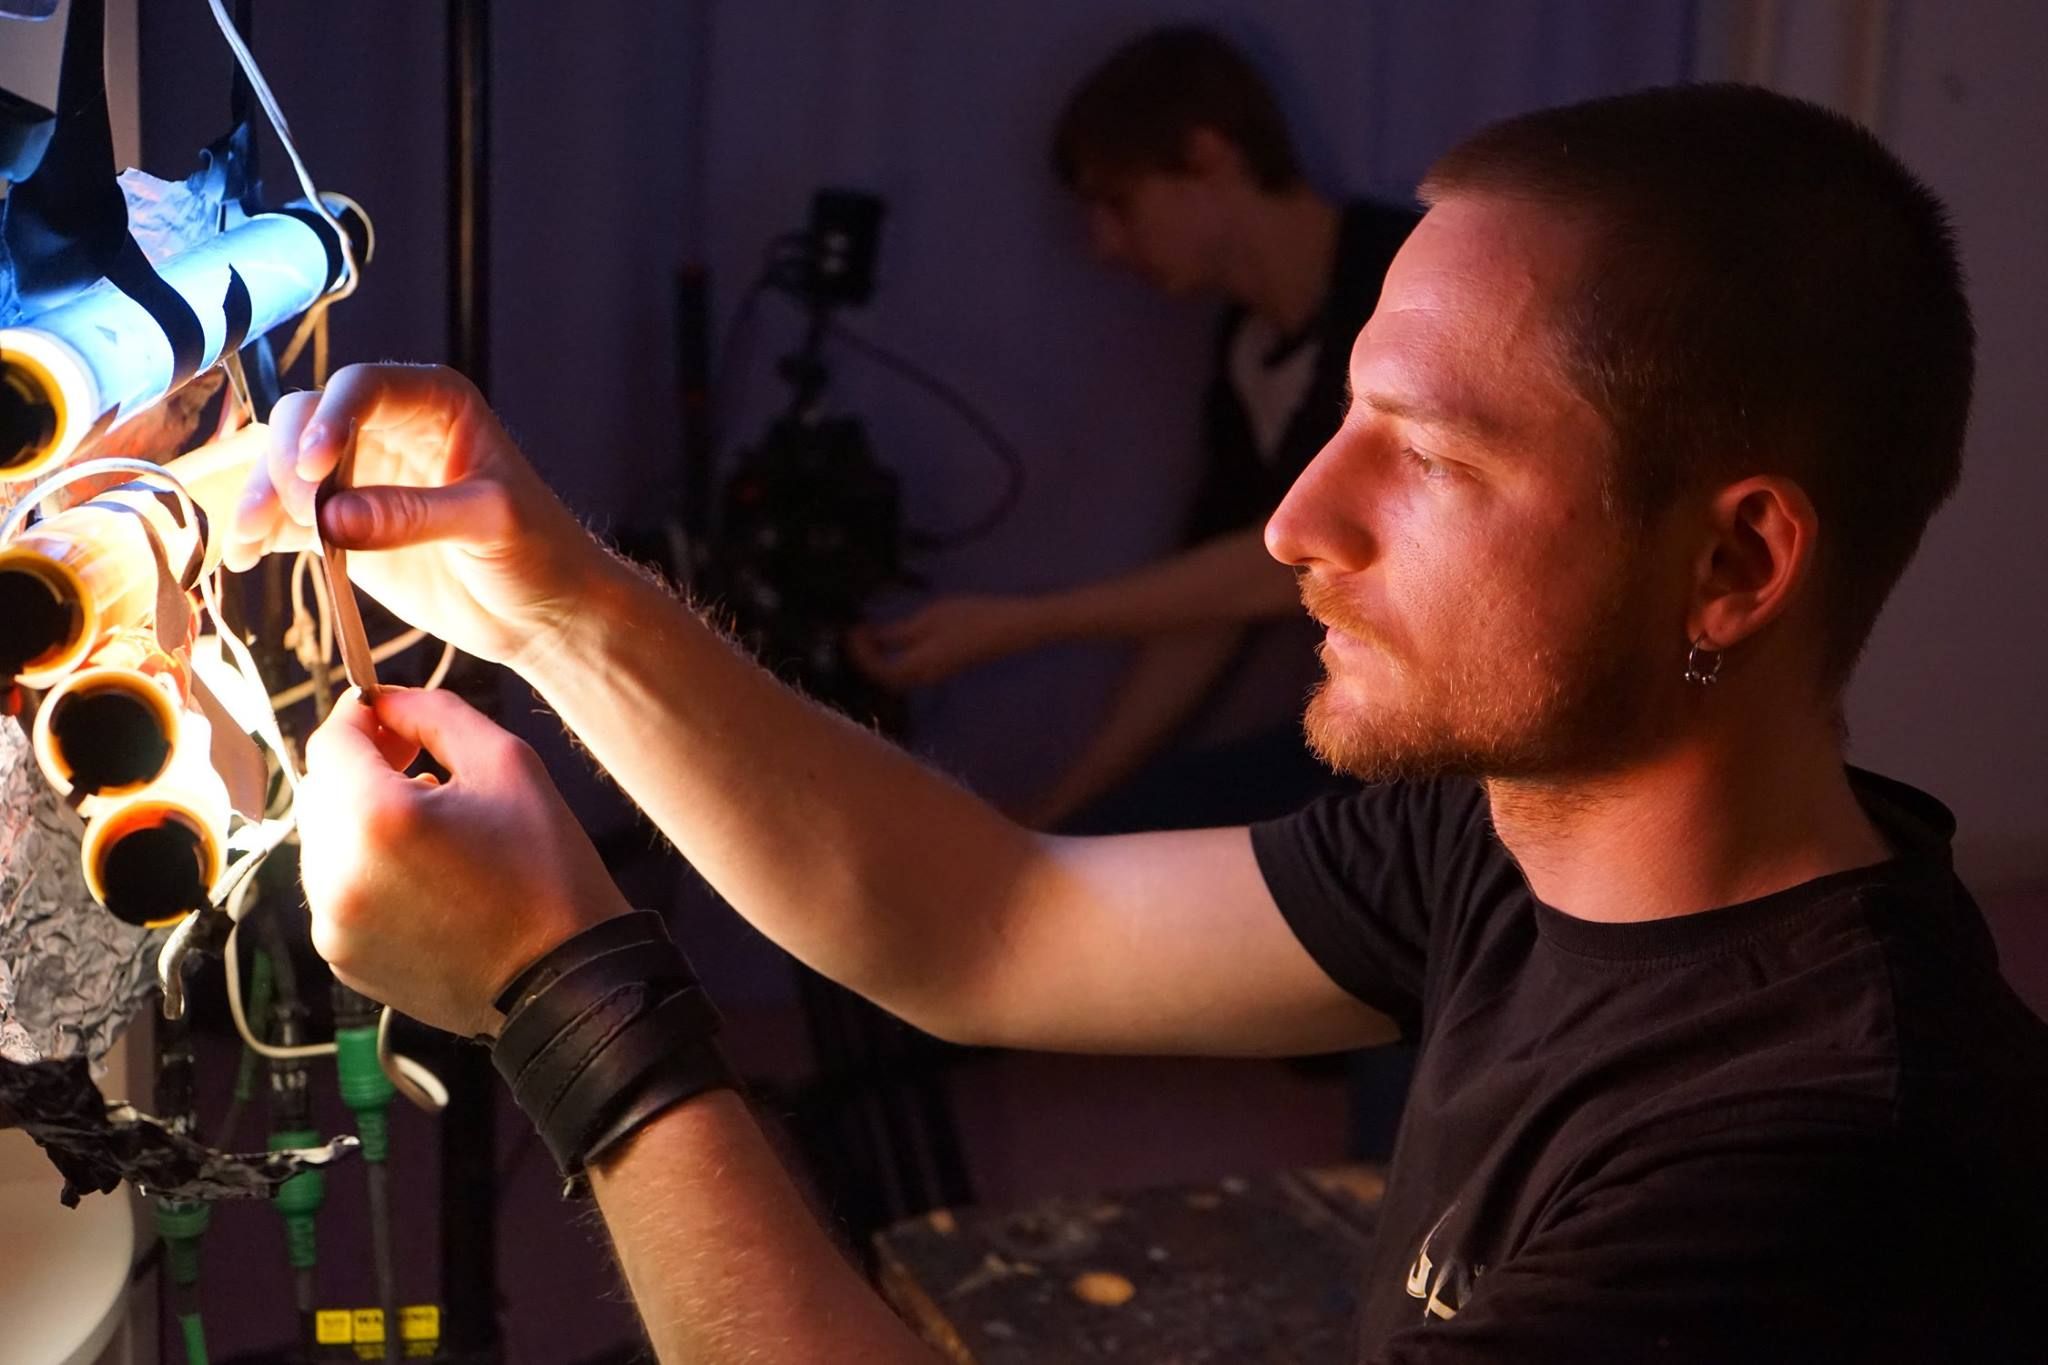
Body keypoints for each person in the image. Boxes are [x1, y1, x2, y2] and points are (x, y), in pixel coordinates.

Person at [226, 83, 2048, 1363]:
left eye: (1427, 458)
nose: (1299, 522)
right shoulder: (1514, 834)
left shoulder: (1819, 1173)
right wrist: (556, 600)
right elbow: (986, 922)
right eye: (1345, 420)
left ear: (1731, 566)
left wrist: (566, 1000)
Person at [849, 26, 1417, 832]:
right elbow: (1210, 603)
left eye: (1117, 202)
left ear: (1209, 156)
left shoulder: (1402, 279)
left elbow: (1292, 562)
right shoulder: (1246, 348)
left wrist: (1021, 625)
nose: (1104, 245)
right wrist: (1060, 813)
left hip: (1438, 741)